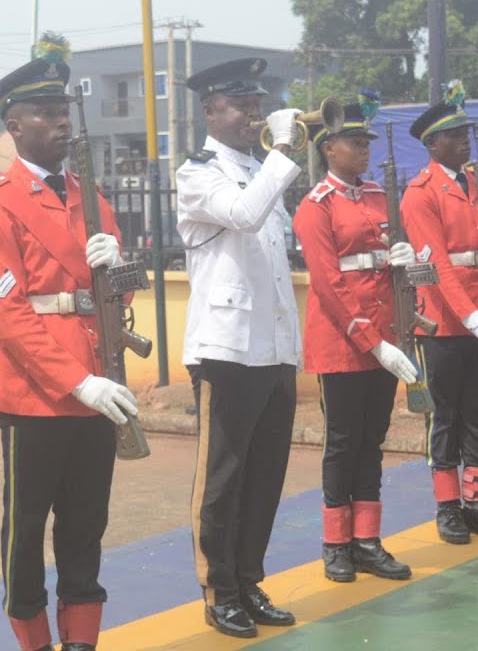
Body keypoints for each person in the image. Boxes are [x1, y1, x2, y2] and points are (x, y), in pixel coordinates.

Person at [0, 34, 139, 651]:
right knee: (26, 529)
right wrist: (77, 378)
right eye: (44, 113)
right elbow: (8, 315)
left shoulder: (92, 199)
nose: (60, 121)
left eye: (64, 110)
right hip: (36, 395)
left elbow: (120, 299)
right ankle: (35, 642)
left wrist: (118, 268)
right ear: (14, 125)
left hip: (97, 385)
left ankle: (83, 642)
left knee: (86, 528)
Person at [177, 58, 303, 639]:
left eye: (257, 104)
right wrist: (282, 147)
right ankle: (219, 589)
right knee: (223, 478)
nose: (253, 113)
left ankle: (249, 580)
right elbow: (244, 216)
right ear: (210, 112)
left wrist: (272, 155)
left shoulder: (261, 169)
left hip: (273, 346)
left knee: (264, 475)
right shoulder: (198, 173)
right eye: (240, 105)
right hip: (226, 350)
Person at [291, 100, 417, 583]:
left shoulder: (379, 197)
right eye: (355, 143)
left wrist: (405, 256)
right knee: (343, 443)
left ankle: (367, 540)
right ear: (329, 149)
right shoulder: (316, 205)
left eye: (366, 143)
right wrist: (371, 340)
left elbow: (387, 265)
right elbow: (328, 283)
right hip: (343, 342)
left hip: (386, 336)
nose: (364, 150)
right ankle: (336, 543)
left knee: (373, 440)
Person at [401, 81, 478, 544]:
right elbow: (435, 267)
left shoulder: (476, 184)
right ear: (433, 144)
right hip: (445, 321)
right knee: (445, 415)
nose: (464, 142)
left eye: (465, 134)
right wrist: (474, 320)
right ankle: (448, 506)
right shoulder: (420, 193)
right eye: (454, 136)